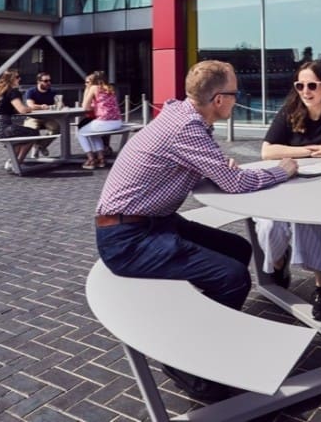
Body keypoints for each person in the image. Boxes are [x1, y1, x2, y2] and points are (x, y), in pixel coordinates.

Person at [95, 60, 298, 401]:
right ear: (218, 100)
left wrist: (215, 169)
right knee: (232, 277)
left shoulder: (182, 117)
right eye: (235, 94)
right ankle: (187, 363)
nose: (237, 100)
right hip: (128, 239)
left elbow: (199, 171)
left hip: (153, 223)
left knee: (237, 250)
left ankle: (210, 330)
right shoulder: (186, 128)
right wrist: (283, 171)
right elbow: (233, 183)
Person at [255, 60, 321, 321]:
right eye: (300, 85)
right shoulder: (289, 112)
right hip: (284, 185)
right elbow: (267, 150)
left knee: (309, 223)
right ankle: (279, 263)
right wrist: (306, 151)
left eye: (312, 85)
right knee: (270, 227)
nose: (306, 91)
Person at [0, 69, 39, 171]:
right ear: (11, 79)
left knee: (19, 137)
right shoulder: (13, 91)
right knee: (34, 133)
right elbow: (22, 110)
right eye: (17, 77)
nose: (19, 79)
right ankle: (17, 163)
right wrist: (32, 108)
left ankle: (12, 161)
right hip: (2, 127)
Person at [78, 71, 123, 169]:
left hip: (105, 122)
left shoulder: (94, 88)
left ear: (93, 81)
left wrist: (87, 89)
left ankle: (91, 159)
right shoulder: (110, 88)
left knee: (81, 132)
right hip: (117, 122)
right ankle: (101, 158)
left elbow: (85, 107)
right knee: (93, 133)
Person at [23, 71, 62, 157]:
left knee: (57, 128)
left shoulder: (53, 92)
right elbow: (31, 105)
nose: (48, 83)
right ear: (39, 81)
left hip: (48, 117)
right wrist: (42, 106)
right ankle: (36, 147)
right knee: (31, 130)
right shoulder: (31, 91)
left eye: (49, 80)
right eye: (45, 81)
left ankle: (41, 146)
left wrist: (60, 104)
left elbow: (59, 104)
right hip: (33, 117)